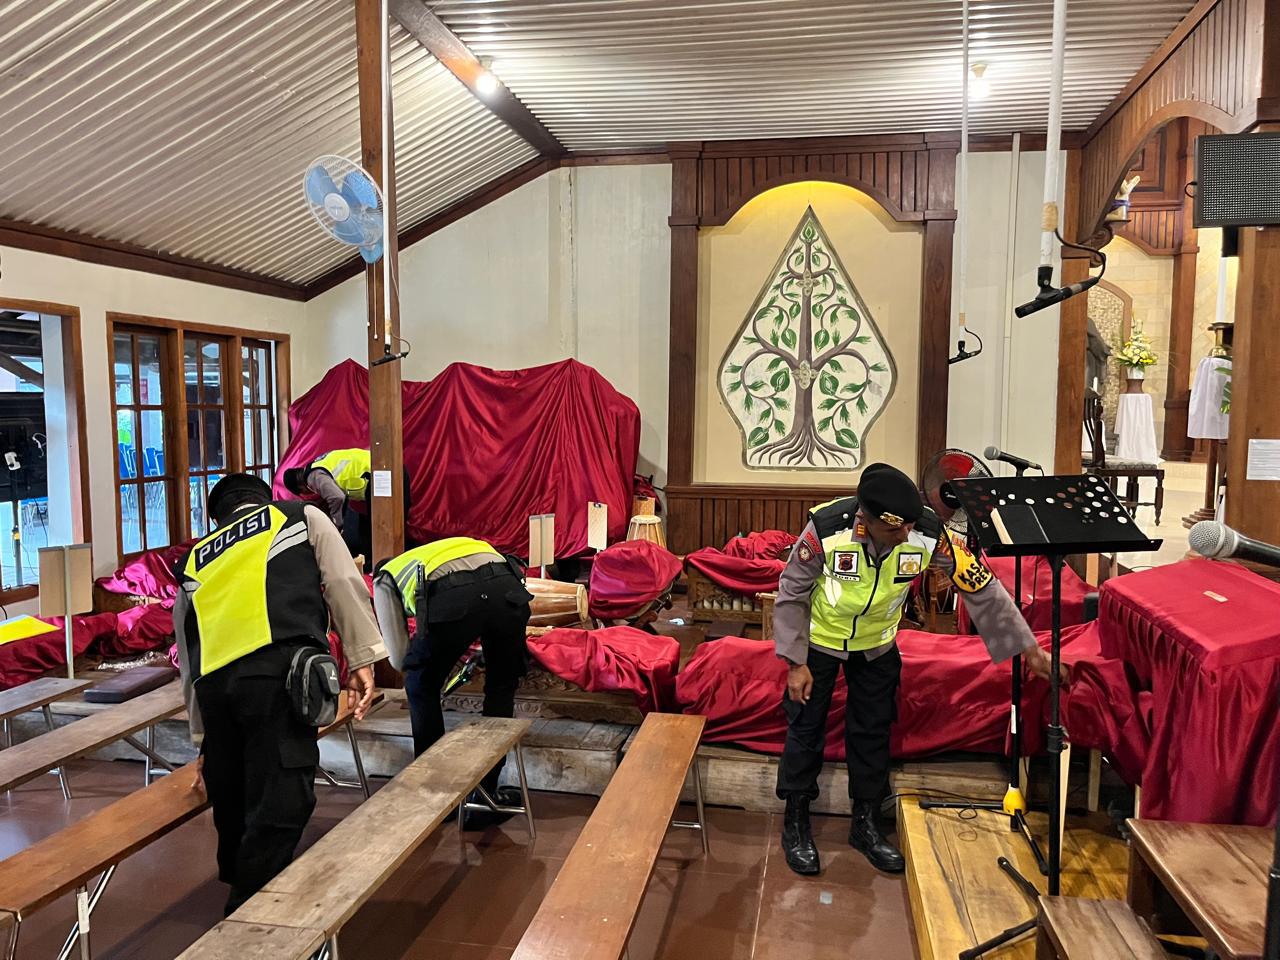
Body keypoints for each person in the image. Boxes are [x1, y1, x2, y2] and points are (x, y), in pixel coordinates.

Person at [773, 462, 1061, 877]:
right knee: (805, 728)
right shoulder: (827, 529)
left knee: (873, 732)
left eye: (910, 525)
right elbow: (791, 591)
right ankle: (797, 821)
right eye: (895, 529)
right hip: (819, 643)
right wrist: (795, 661)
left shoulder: (927, 531)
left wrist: (1028, 649)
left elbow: (979, 585)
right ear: (866, 519)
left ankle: (866, 824)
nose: (907, 536)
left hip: (877, 644)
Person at [174, 473, 386, 914]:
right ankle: (247, 918)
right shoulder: (297, 516)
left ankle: (242, 893)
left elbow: (187, 654)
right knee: (283, 796)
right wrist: (363, 658)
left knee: (234, 800)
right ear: (263, 499)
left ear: (217, 517)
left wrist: (201, 740)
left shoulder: (196, 558)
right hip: (277, 678)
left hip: (216, 691)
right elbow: (343, 581)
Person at [372, 536, 532, 817]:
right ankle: (486, 797)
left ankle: (434, 796)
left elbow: (399, 659)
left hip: (456, 597)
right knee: (501, 686)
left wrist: (432, 658)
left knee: (420, 685)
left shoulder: (385, 578)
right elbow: (485, 595)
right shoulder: (442, 550)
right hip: (507, 586)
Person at [281, 448, 372, 562]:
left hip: (371, 476)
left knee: (370, 531)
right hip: (372, 465)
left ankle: (371, 563)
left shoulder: (312, 477)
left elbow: (336, 497)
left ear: (301, 487)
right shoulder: (317, 464)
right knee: (365, 527)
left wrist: (336, 524)